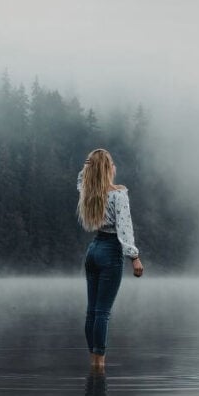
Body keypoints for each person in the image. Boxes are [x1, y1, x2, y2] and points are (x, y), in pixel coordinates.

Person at [77, 148, 143, 370]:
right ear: (107, 169)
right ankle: (100, 363)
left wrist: (88, 164)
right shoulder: (118, 195)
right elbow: (125, 229)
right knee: (103, 313)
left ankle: (93, 361)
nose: (115, 166)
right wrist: (134, 257)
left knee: (92, 311)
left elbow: (81, 179)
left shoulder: (88, 192)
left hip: (93, 250)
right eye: (112, 163)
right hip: (111, 251)